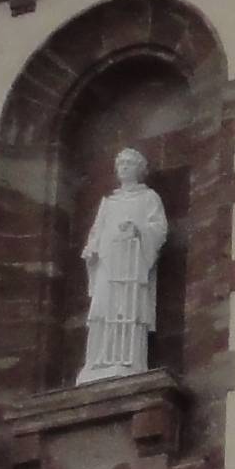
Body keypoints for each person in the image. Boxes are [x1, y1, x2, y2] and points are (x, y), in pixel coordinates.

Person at [79, 148, 167, 378]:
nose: (125, 167)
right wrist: (92, 249)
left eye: (130, 163)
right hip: (108, 262)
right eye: (121, 163)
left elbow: (158, 229)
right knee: (104, 307)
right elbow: (97, 231)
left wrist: (138, 231)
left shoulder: (149, 198)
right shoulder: (109, 202)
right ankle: (97, 361)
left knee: (127, 308)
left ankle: (128, 360)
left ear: (139, 169)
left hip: (131, 261)